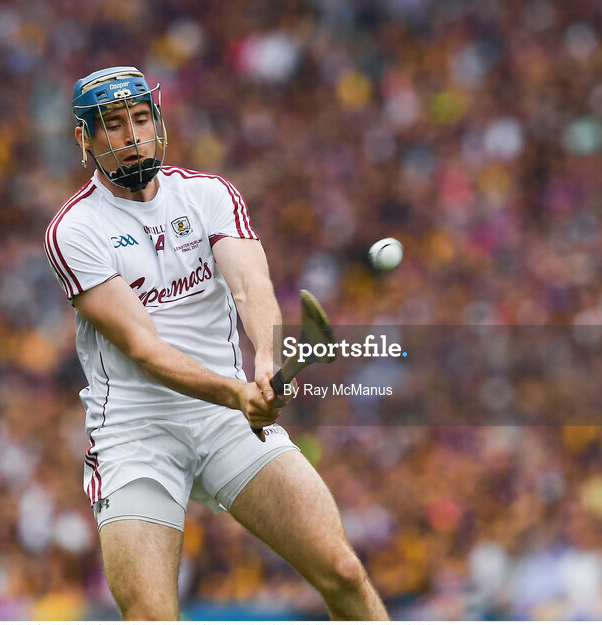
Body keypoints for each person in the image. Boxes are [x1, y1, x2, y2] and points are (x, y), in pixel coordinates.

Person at [43, 66, 388, 620]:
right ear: (84, 139)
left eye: (140, 119)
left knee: (343, 571)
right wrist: (235, 391)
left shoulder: (208, 195)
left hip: (227, 421)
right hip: (137, 434)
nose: (131, 136)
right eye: (112, 125)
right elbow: (144, 347)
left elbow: (251, 286)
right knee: (153, 616)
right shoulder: (75, 230)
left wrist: (268, 361)